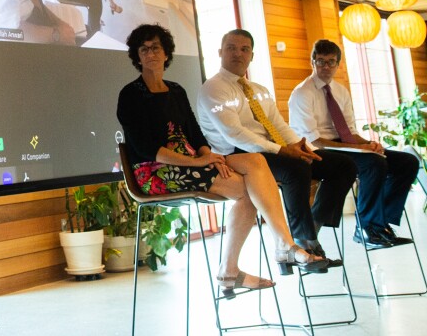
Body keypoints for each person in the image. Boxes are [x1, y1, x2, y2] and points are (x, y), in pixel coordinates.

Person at [118, 24, 328, 286]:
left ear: (166, 53)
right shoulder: (130, 94)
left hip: (193, 162)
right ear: (137, 56)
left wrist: (208, 155)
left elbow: (195, 134)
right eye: (144, 49)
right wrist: (197, 161)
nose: (150, 53)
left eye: (155, 48)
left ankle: (275, 249)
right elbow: (146, 148)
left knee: (255, 160)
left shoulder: (176, 90)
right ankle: (241, 265)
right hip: (155, 170)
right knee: (249, 190)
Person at [197, 29, 357, 263]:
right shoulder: (214, 88)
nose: (238, 54)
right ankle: (303, 242)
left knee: (342, 165)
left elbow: (279, 126)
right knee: (295, 168)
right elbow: (234, 134)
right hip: (238, 155)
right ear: (220, 52)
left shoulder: (259, 90)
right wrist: (283, 151)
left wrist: (303, 150)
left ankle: (314, 223)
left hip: (270, 150)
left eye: (244, 49)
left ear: (252, 55)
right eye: (231, 48)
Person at [288, 39, 419, 248]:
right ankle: (366, 228)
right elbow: (314, 140)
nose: (326, 67)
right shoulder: (302, 93)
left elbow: (350, 131)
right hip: (316, 150)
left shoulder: (340, 91)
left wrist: (370, 144)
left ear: (338, 64)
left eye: (331, 62)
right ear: (313, 62)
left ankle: (380, 223)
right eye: (321, 61)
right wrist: (360, 149)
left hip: (344, 145)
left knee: (407, 162)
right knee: (373, 164)